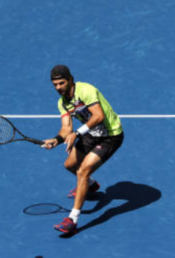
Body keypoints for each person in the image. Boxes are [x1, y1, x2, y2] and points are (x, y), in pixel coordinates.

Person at [42, 65, 124, 235]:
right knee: (70, 165)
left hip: (110, 136)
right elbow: (66, 129)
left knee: (83, 171)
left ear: (70, 80)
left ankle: (72, 219)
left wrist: (77, 133)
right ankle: (92, 186)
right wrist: (56, 140)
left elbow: (99, 116)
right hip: (91, 134)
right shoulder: (62, 103)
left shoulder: (86, 90)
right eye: (55, 85)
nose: (58, 88)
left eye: (61, 83)